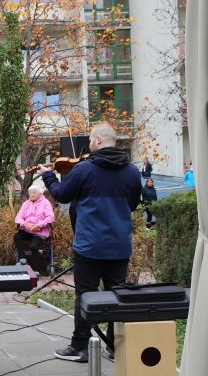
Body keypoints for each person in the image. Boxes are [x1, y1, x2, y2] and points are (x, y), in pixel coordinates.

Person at [40, 123, 141, 362]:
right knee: (117, 296)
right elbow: (134, 205)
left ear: (96, 140)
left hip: (89, 246)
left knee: (85, 296)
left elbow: (62, 195)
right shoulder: (132, 172)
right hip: (119, 246)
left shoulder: (85, 169)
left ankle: (79, 347)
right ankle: (115, 347)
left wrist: (48, 176)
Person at [13, 187, 55, 272]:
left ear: (40, 194)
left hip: (40, 231)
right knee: (17, 236)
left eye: (34, 193)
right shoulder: (26, 204)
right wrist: (25, 224)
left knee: (34, 247)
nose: (32, 194)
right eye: (31, 192)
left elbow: (50, 217)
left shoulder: (45, 203)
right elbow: (18, 218)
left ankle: (36, 270)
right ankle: (23, 259)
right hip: (27, 229)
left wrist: (38, 225)